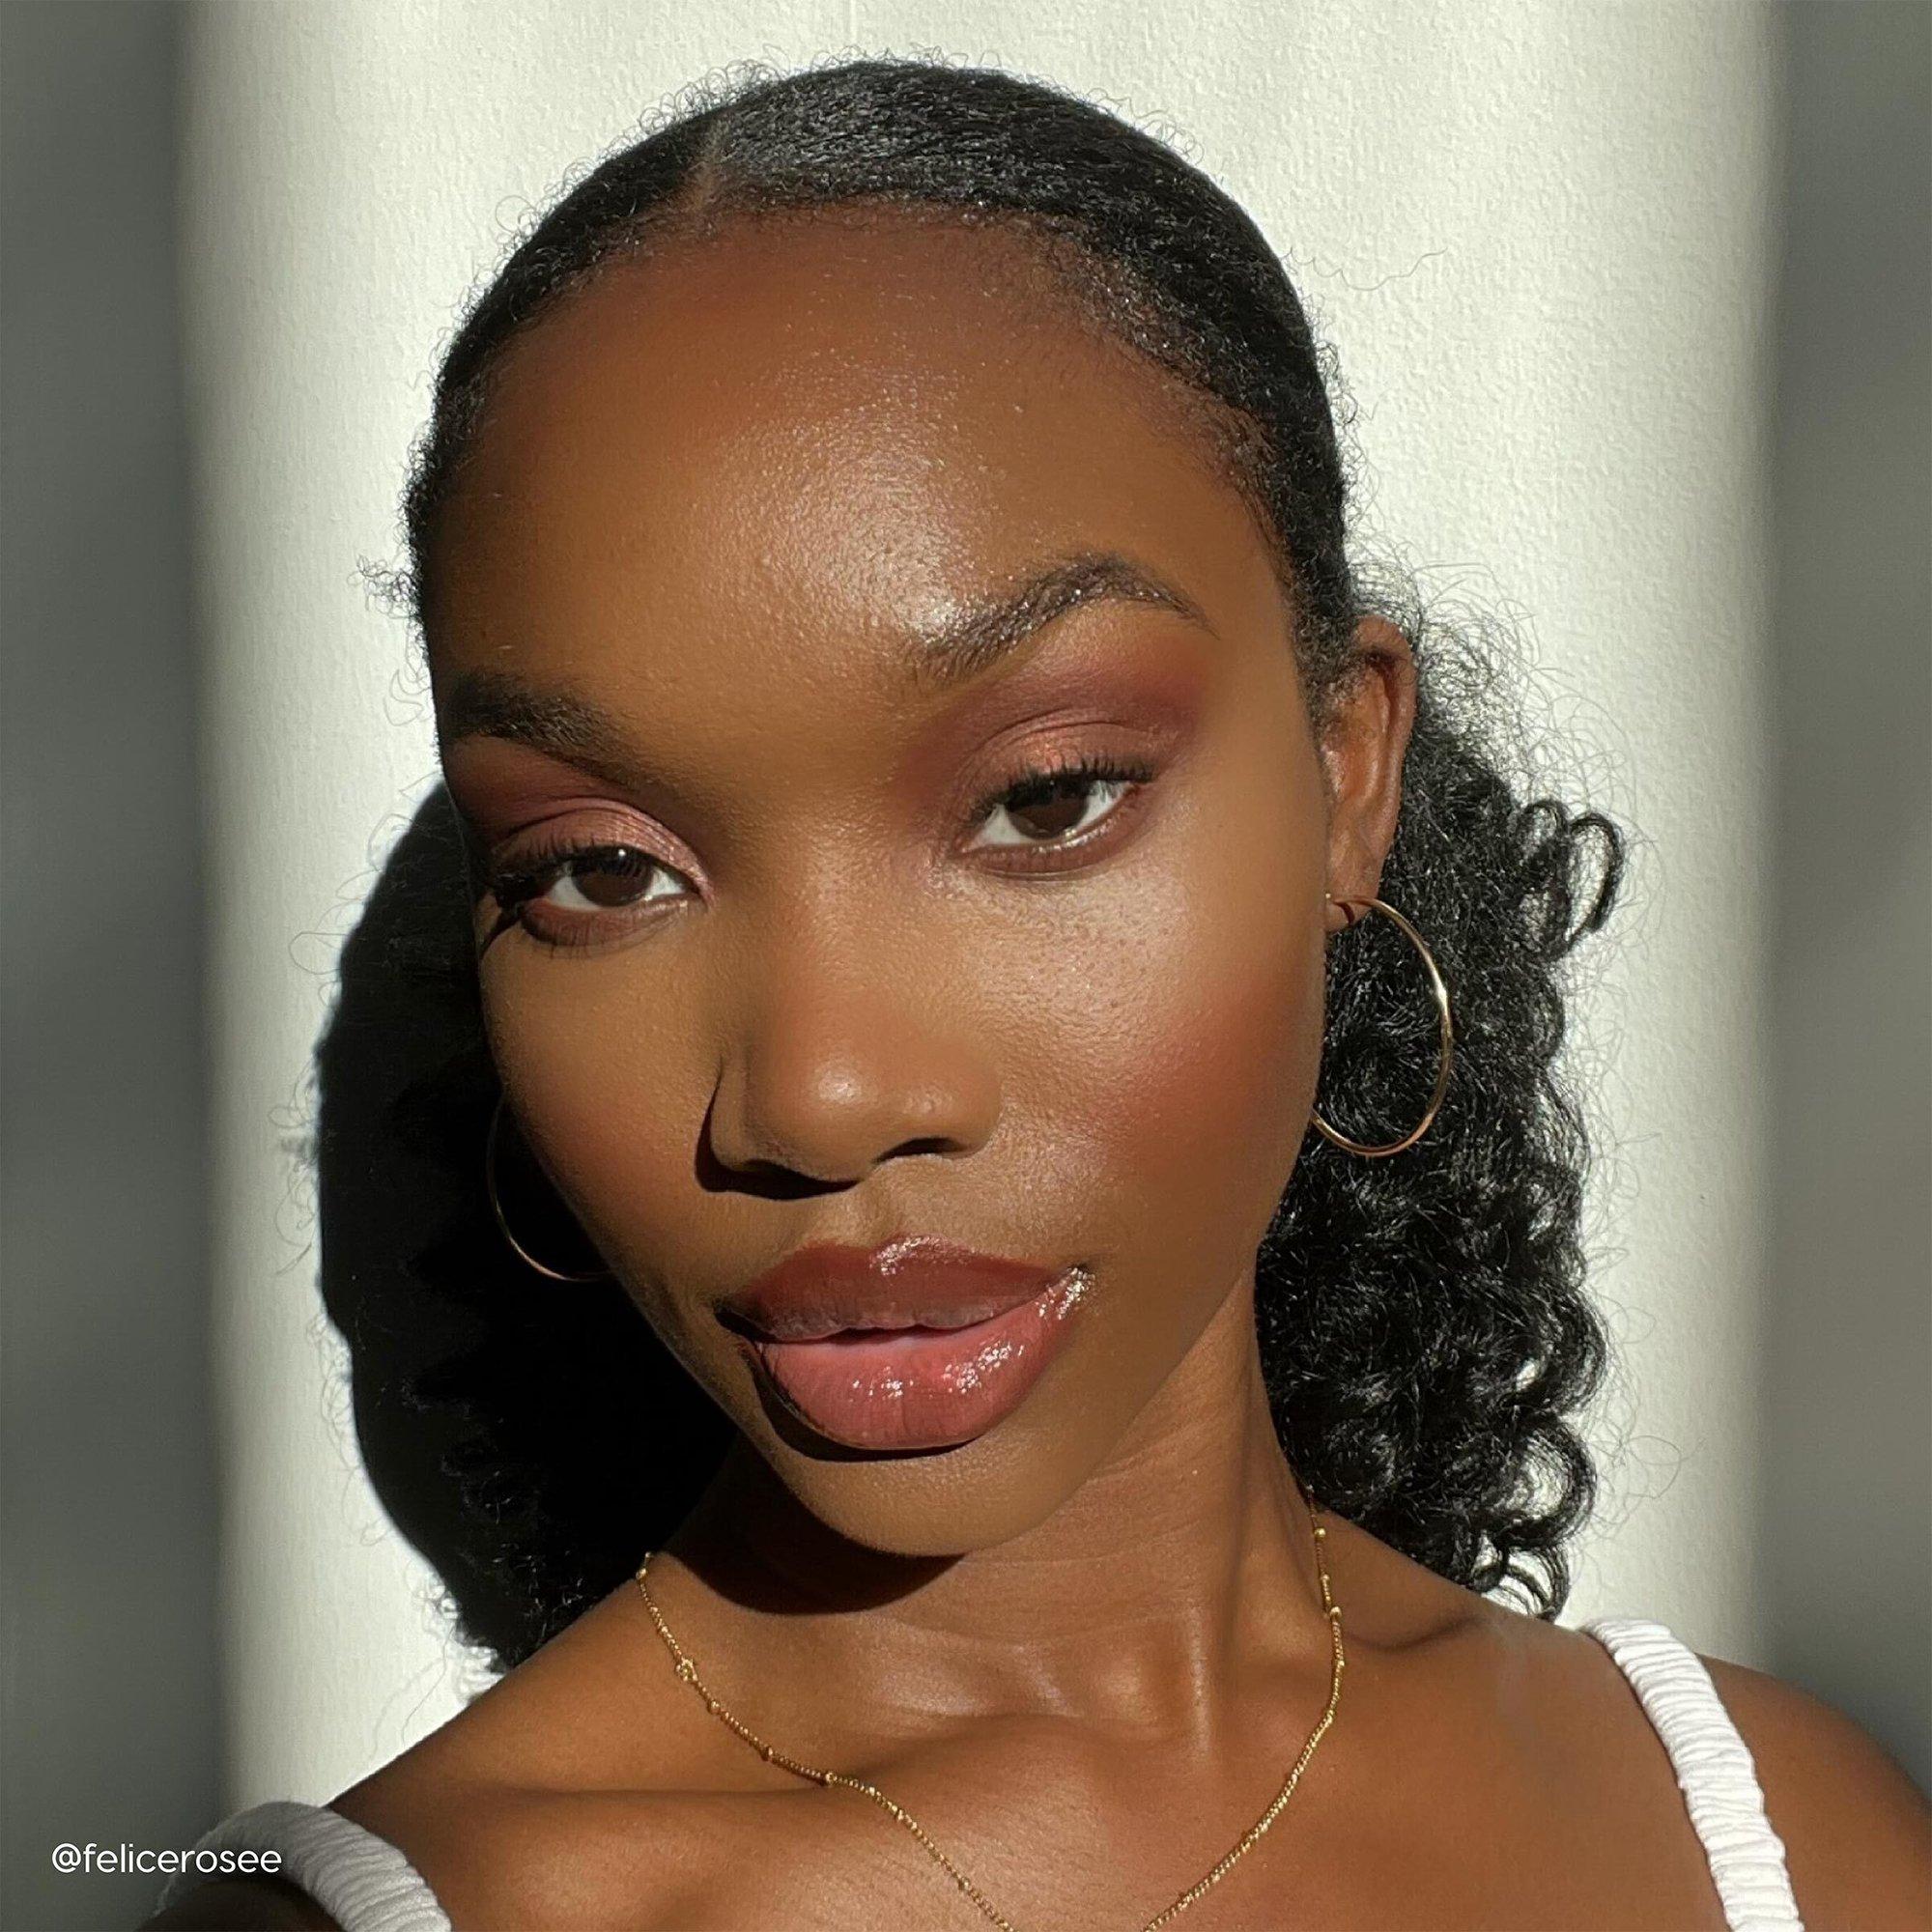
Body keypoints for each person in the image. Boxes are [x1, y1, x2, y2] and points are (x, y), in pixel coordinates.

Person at [144, 55, 1929, 1932]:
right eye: (602, 871)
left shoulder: (1783, 1845)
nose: (821, 1096)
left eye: (1048, 798)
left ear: (1344, 772)